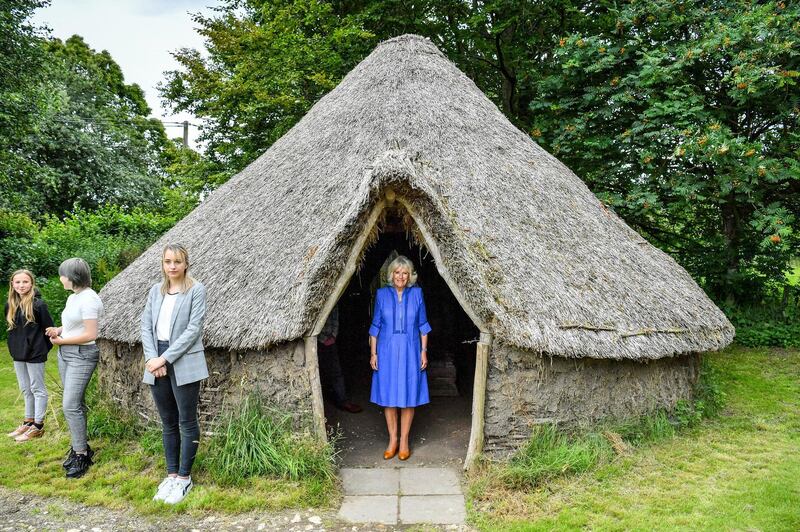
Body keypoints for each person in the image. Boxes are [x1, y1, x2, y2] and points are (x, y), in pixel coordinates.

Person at [141, 243, 208, 505]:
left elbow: (193, 330)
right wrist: (152, 358)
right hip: (155, 359)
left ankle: (184, 478)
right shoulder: (155, 292)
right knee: (168, 420)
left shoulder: (196, 290)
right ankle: (170, 475)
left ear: (186, 264)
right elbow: (145, 325)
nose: (172, 266)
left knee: (186, 420)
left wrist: (165, 358)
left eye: (177, 262)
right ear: (163, 263)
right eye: (168, 261)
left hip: (182, 359)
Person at [45, 258, 104, 478]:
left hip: (82, 355)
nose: (60, 278)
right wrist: (59, 330)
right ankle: (79, 447)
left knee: (70, 405)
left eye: (63, 274)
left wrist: (62, 341)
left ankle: (81, 454)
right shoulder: (73, 298)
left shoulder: (89, 299)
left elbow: (91, 334)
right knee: (73, 404)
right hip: (66, 353)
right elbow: (74, 325)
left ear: (72, 277)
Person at [369, 255, 431, 461]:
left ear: (410, 276)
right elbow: (375, 326)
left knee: (408, 396)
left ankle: (404, 441)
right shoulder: (381, 295)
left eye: (405, 273)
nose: (401, 276)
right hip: (386, 351)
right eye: (397, 272)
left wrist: (423, 351)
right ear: (391, 274)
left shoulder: (417, 294)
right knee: (389, 397)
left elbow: (423, 325)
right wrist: (373, 353)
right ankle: (392, 440)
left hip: (411, 350)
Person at [5, 270, 54, 442]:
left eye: (25, 282)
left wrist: (39, 349)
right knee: (26, 389)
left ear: (31, 283)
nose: (21, 285)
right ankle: (28, 421)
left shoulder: (39, 305)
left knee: (37, 389)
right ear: (12, 284)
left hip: (35, 354)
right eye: (17, 282)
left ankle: (38, 426)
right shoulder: (9, 305)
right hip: (18, 354)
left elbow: (49, 331)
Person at [318, 306, 362, 414]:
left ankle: (343, 401)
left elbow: (335, 319)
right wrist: (320, 339)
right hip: (315, 340)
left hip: (330, 340)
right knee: (318, 372)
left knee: (336, 372)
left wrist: (333, 336)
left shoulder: (333, 303)